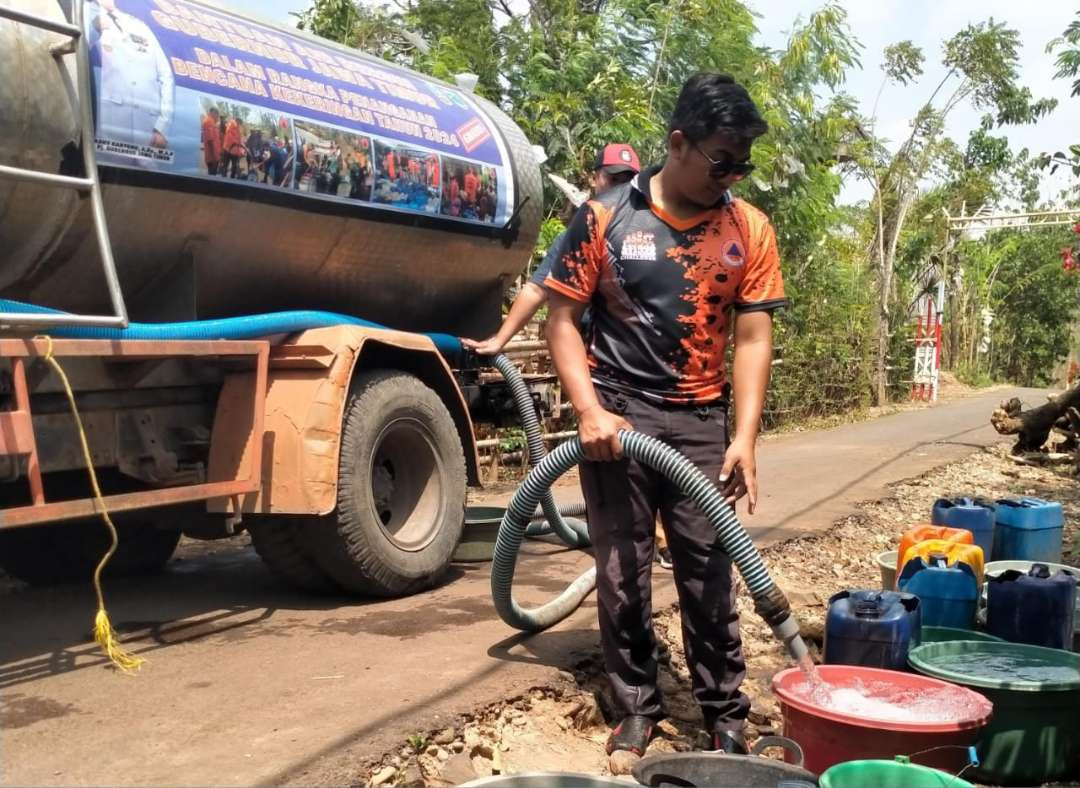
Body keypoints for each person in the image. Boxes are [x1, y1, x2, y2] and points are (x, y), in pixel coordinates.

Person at [543, 73, 786, 772]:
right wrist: (588, 410)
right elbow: (562, 318)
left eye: (743, 163)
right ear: (678, 143)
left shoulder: (749, 228)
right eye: (722, 160)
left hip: (703, 423)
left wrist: (743, 437)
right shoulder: (605, 217)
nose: (733, 176)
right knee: (623, 570)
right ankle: (636, 711)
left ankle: (725, 717)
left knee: (710, 573)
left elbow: (752, 338)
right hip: (615, 419)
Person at [462, 143, 641, 356]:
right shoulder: (576, 237)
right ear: (595, 179)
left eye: (627, 181)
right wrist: (499, 340)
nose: (620, 189)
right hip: (589, 356)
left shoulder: (647, 237)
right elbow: (537, 289)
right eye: (613, 179)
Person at [89, 0, 173, 151]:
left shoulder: (138, 25)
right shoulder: (85, 14)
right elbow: (76, 49)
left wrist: (162, 126)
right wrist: (95, 27)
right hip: (110, 127)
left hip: (147, 131)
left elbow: (166, 76)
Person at [201, 107, 222, 176]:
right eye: (217, 115)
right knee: (212, 175)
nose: (217, 117)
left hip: (214, 155)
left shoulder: (212, 122)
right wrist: (215, 157)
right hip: (212, 157)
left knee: (212, 174)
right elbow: (210, 141)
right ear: (213, 113)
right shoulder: (208, 121)